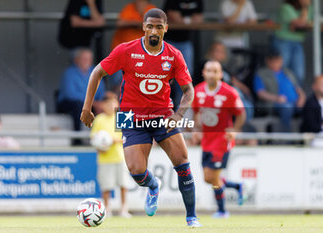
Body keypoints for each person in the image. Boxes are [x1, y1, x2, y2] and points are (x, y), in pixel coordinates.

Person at [81, 8, 201, 227]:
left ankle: (191, 217)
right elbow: (97, 72)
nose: (153, 30)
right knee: (136, 171)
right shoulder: (126, 50)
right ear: (143, 27)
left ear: (166, 28)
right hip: (129, 116)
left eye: (158, 26)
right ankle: (153, 186)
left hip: (162, 114)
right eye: (149, 26)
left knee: (183, 164)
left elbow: (189, 90)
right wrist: (86, 108)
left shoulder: (174, 55)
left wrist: (179, 114)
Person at [192, 60, 246, 218]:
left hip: (222, 140)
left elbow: (241, 113)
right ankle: (236, 186)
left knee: (212, 177)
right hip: (207, 140)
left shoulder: (229, 92)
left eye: (215, 71)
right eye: (209, 70)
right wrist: (196, 130)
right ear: (203, 72)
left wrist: (235, 130)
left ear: (221, 74)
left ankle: (222, 210)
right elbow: (196, 112)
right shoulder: (198, 91)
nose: (211, 74)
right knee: (208, 178)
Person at [90, 92, 132, 218]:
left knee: (124, 185)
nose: (110, 106)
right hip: (105, 159)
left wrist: (113, 140)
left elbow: (128, 138)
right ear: (103, 105)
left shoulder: (123, 117)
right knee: (106, 186)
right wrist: (101, 146)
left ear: (117, 104)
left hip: (121, 157)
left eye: (113, 103)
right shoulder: (98, 119)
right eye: (107, 103)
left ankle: (124, 209)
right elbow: (94, 138)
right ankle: (107, 210)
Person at [57, 48, 105, 145]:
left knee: (107, 106)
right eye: (84, 58)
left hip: (90, 104)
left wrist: (100, 103)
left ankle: (101, 137)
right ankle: (77, 139)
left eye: (89, 59)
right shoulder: (69, 73)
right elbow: (70, 94)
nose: (87, 61)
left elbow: (101, 92)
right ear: (76, 60)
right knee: (79, 105)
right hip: (68, 103)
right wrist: (93, 102)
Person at [163, 0, 204, 110]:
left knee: (185, 75)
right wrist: (189, 21)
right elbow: (173, 16)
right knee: (164, 74)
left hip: (185, 42)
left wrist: (183, 20)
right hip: (168, 41)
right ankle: (162, 108)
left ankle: (180, 110)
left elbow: (199, 18)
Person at [109, 0, 156, 94]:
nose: (139, 3)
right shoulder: (129, 8)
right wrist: (133, 23)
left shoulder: (152, 10)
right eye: (138, 1)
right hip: (122, 52)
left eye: (142, 2)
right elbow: (119, 23)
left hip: (142, 54)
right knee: (117, 81)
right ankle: (114, 104)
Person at [253, 50, 306, 132]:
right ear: (267, 61)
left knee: (312, 107)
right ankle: (287, 138)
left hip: (295, 103)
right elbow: (260, 93)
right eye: (272, 60)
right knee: (287, 107)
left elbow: (298, 88)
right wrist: (276, 98)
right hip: (275, 104)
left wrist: (302, 98)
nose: (275, 63)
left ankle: (310, 135)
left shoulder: (287, 71)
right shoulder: (261, 73)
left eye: (277, 60)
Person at [272, 0, 313, 84]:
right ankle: (280, 93)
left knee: (298, 73)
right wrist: (304, 7)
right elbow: (300, 23)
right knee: (281, 70)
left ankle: (294, 94)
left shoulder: (309, 8)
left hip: (297, 42)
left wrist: (305, 10)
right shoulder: (286, 7)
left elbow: (308, 22)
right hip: (283, 41)